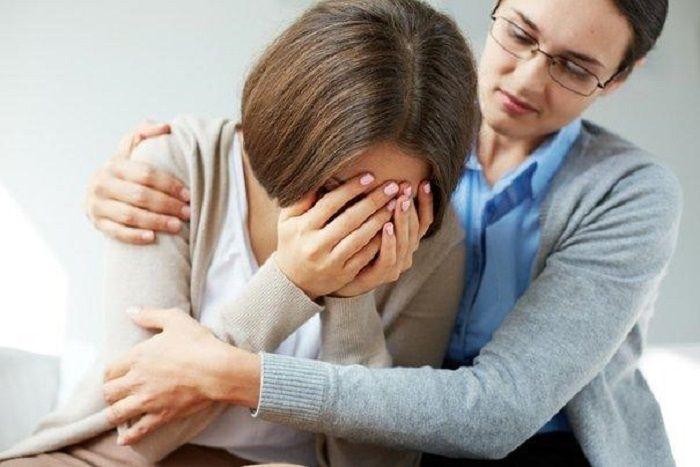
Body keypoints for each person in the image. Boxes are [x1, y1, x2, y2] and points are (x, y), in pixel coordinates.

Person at [16, 0, 683, 465]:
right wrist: (117, 181)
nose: (529, 77)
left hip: (539, 443)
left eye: (575, 67)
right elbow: (131, 415)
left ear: (617, 77)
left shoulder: (617, 194)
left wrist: (243, 366)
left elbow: (495, 412)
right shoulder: (395, 126)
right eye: (519, 34)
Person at [0, 1, 480, 466]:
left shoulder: (432, 244)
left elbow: (375, 462)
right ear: (292, 133)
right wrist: (291, 283)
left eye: (385, 200)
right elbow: (134, 421)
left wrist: (351, 296)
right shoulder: (174, 168)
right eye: (336, 188)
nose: (351, 221)